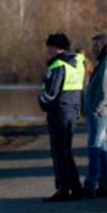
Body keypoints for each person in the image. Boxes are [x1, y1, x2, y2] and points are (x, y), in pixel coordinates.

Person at [39, 32, 85, 202]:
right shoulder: (78, 63)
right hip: (73, 111)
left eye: (49, 48)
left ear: (54, 47)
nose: (48, 52)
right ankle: (76, 188)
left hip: (58, 112)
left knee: (59, 153)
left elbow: (51, 92)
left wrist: (41, 102)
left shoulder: (58, 65)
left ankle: (63, 191)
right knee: (67, 152)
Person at [82, 34, 107, 199]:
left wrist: (93, 110)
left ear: (104, 45)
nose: (93, 49)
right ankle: (104, 185)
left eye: (96, 46)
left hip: (99, 115)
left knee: (94, 150)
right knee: (101, 151)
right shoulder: (104, 64)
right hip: (100, 114)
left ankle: (89, 186)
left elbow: (103, 93)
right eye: (92, 46)